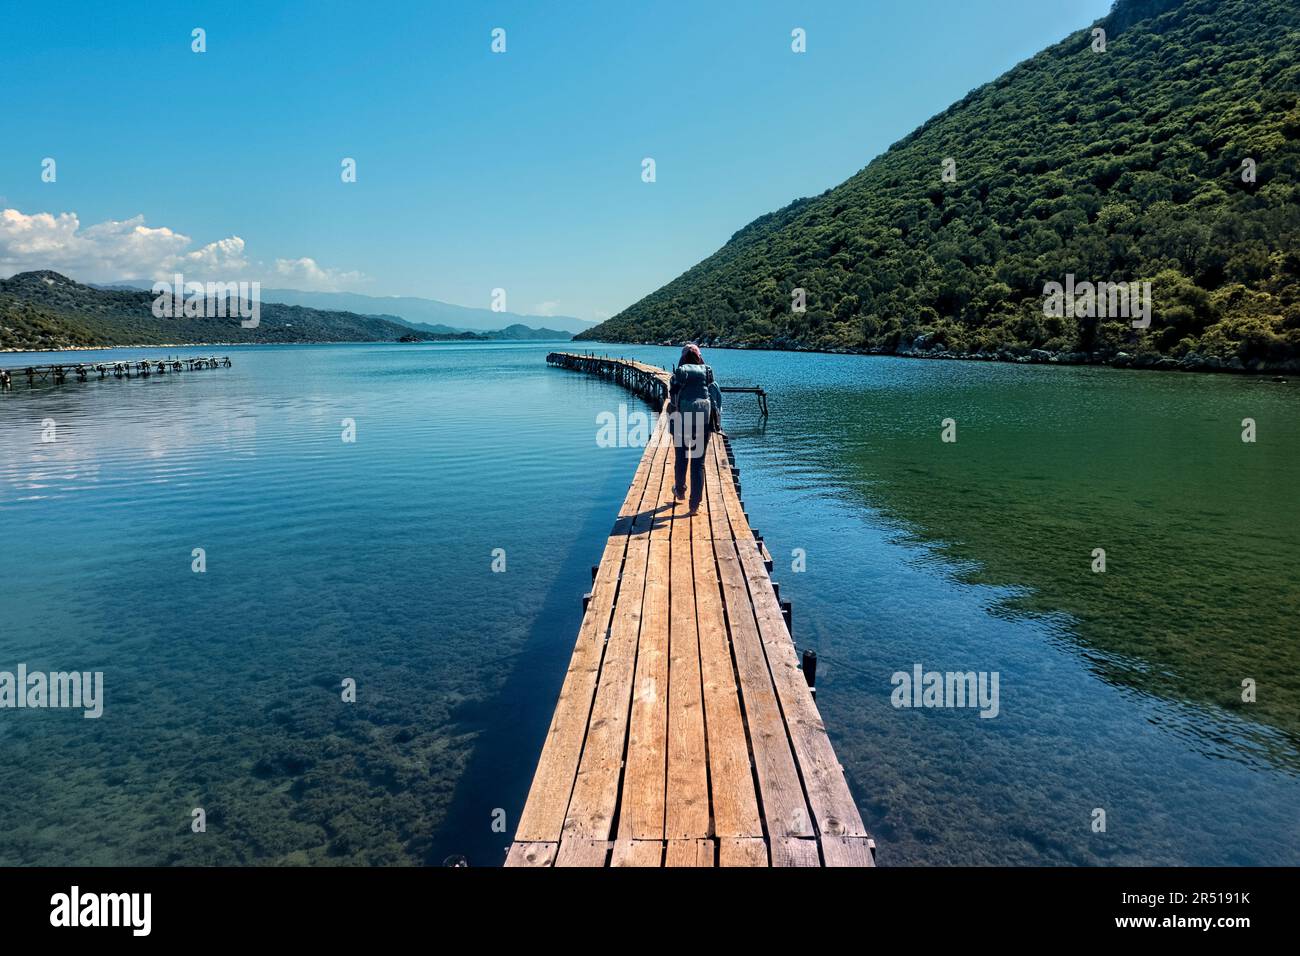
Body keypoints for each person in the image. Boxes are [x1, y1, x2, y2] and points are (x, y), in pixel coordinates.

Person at [667, 343, 723, 515]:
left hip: (681, 421)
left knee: (681, 458)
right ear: (699, 356)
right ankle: (694, 505)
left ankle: (680, 490)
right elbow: (716, 396)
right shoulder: (707, 371)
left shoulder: (680, 373)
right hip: (702, 421)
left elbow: (673, 397)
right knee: (698, 463)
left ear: (683, 357)